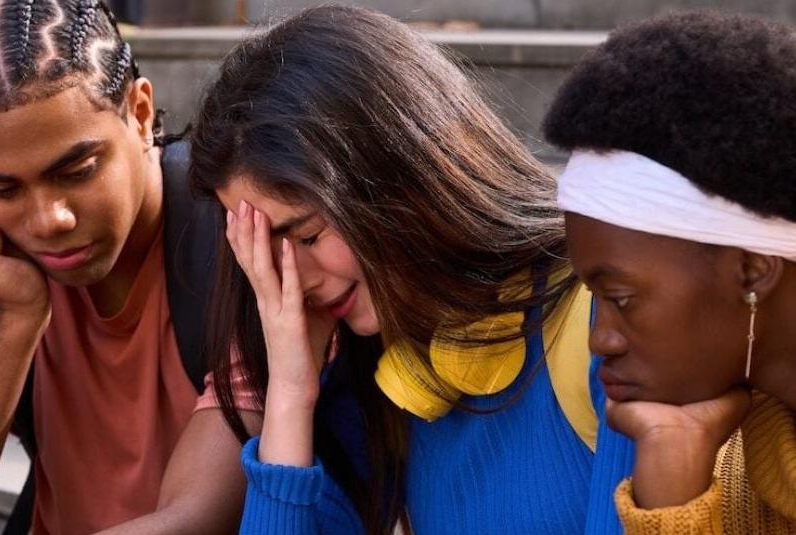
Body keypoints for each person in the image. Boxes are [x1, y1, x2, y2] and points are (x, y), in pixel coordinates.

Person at [189, 6, 632, 534]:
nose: (293, 281)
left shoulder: (608, 322)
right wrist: (289, 393)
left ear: (399, 179)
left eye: (307, 237)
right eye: (265, 255)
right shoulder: (380, 375)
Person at [0, 1, 260, 533]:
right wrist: (17, 321)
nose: (49, 220)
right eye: (0, 188)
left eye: (77, 171)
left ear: (139, 114)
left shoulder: (236, 225)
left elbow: (200, 516)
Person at [544, 10, 796, 534]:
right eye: (595, 299)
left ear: (752, 271)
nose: (600, 340)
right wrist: (673, 479)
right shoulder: (723, 444)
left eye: (621, 298)